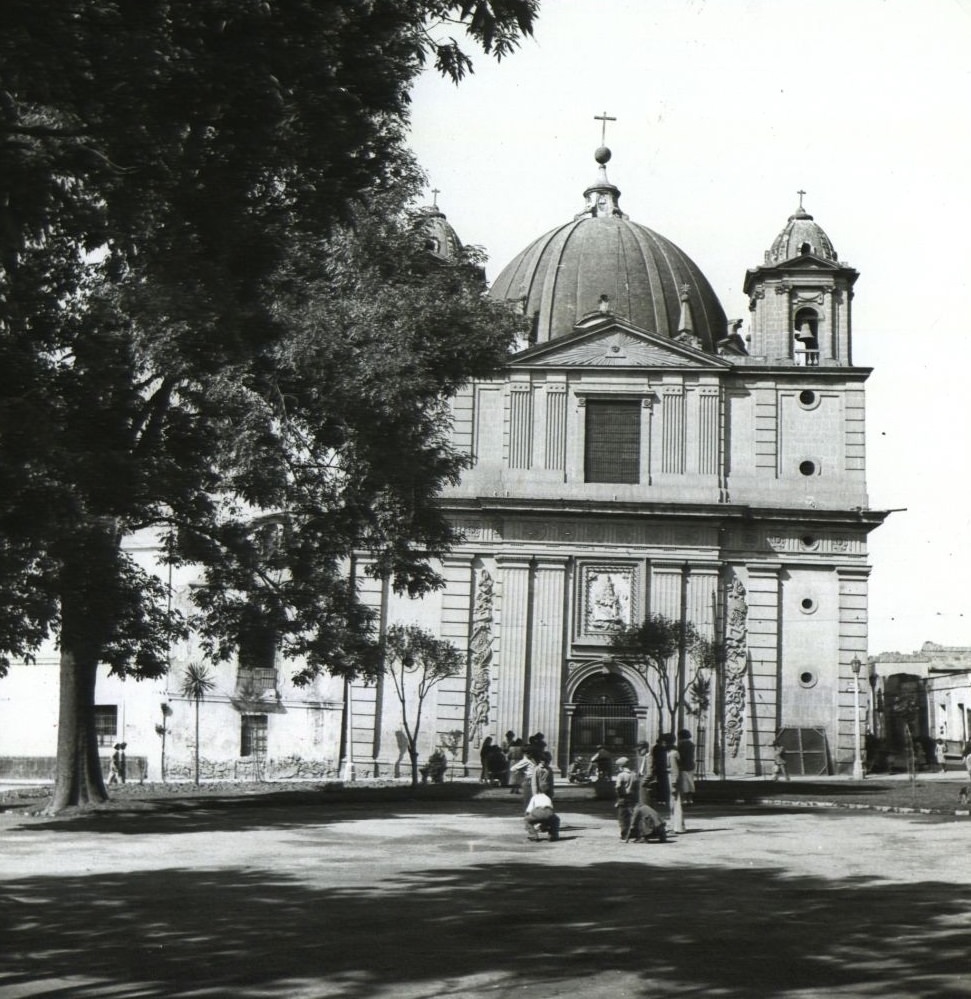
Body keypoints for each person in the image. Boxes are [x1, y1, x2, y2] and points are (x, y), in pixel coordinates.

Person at [524, 760, 560, 841]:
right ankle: (553, 835)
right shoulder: (537, 769)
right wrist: (535, 792)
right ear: (540, 761)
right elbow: (534, 783)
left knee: (527, 820)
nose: (544, 763)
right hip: (547, 808)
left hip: (542, 798)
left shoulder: (549, 769)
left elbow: (529, 810)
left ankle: (534, 835)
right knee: (555, 819)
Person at [664, 733, 685, 833]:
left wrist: (673, 783)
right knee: (672, 803)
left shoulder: (672, 754)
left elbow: (674, 770)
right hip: (671, 778)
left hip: (672, 778)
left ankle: (678, 827)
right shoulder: (672, 752)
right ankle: (674, 825)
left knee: (675, 802)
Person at [613, 756, 637, 839]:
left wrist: (618, 796)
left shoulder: (621, 775)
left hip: (623, 797)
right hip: (632, 797)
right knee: (631, 815)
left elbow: (618, 787)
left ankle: (624, 834)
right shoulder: (634, 774)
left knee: (622, 817)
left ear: (621, 766)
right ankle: (633, 832)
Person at [677, 728, 696, 804]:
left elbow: (681, 755)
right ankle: (690, 799)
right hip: (690, 764)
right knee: (690, 782)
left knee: (684, 783)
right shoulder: (691, 744)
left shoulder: (681, 744)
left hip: (683, 765)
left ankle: (684, 799)